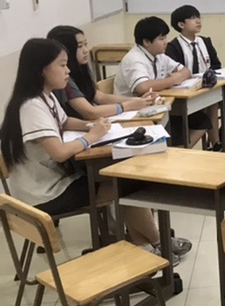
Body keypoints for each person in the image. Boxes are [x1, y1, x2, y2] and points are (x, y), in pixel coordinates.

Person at [0, 38, 179, 257]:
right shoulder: (31, 106)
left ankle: (147, 247)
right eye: (62, 65)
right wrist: (91, 136)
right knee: (127, 184)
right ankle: (159, 244)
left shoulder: (45, 96)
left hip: (54, 182)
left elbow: (64, 122)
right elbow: (59, 153)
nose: (68, 70)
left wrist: (91, 126)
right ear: (41, 70)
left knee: (125, 179)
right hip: (44, 195)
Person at [166, 5, 225, 148]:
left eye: (198, 17)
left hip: (211, 85)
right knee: (212, 100)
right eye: (192, 18)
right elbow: (175, 73)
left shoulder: (205, 41)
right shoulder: (174, 47)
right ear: (181, 24)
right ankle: (216, 144)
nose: (198, 21)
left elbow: (216, 65)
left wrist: (210, 75)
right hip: (191, 91)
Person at [114, 16, 210, 147]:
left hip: (154, 106)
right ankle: (175, 152)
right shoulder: (135, 59)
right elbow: (142, 87)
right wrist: (172, 80)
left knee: (201, 121)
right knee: (180, 123)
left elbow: (186, 71)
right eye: (161, 39)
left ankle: (178, 151)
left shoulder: (159, 55)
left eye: (165, 37)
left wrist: (176, 78)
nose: (166, 42)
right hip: (133, 112)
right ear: (146, 42)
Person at [46, 25, 156, 119]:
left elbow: (99, 97)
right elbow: (90, 112)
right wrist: (127, 105)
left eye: (86, 44)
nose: (86, 50)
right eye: (79, 46)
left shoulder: (80, 71)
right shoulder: (64, 78)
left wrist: (138, 100)